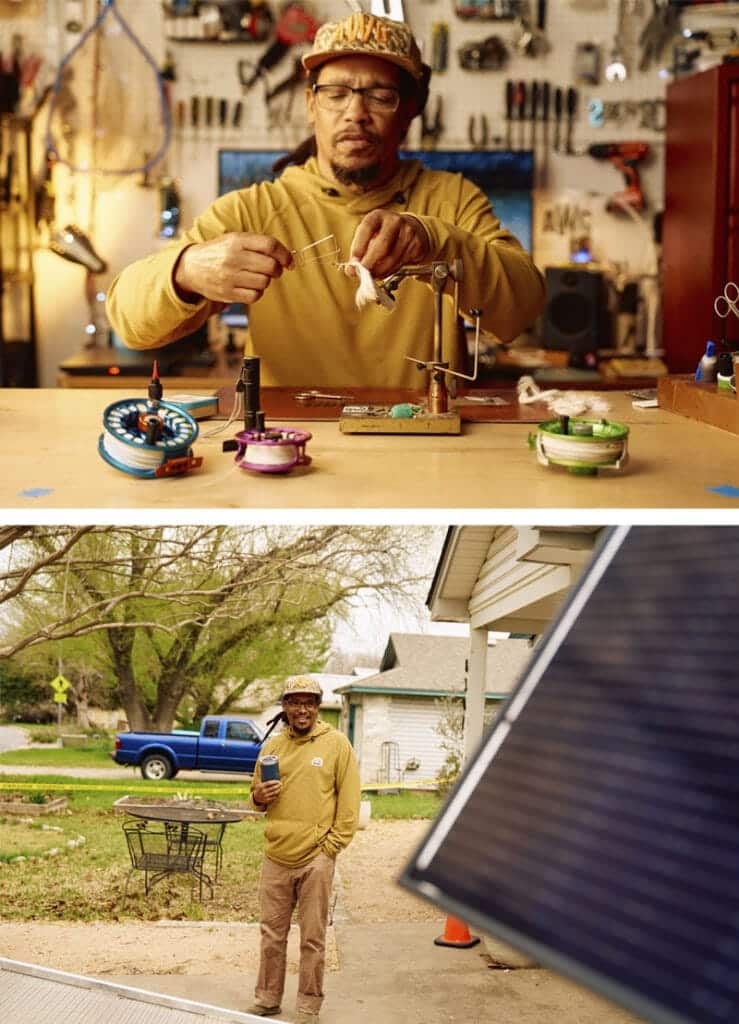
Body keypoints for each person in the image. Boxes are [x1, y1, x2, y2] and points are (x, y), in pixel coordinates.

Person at [106, 12, 545, 387]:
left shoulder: (451, 200)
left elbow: (521, 311)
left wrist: (435, 240)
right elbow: (128, 321)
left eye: (380, 96)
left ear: (411, 109)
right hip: (290, 449)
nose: (355, 112)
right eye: (335, 94)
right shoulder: (253, 211)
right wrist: (185, 270)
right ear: (310, 104)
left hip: (418, 446)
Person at [248, 675, 360, 1023]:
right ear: (284, 707)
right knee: (271, 935)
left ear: (318, 707)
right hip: (276, 857)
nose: (302, 709)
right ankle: (267, 999)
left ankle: (309, 1007)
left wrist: (329, 850)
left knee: (313, 938)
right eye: (295, 702)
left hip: (316, 859)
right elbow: (255, 796)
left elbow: (350, 805)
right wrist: (258, 797)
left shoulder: (337, 745)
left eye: (309, 702)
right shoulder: (272, 748)